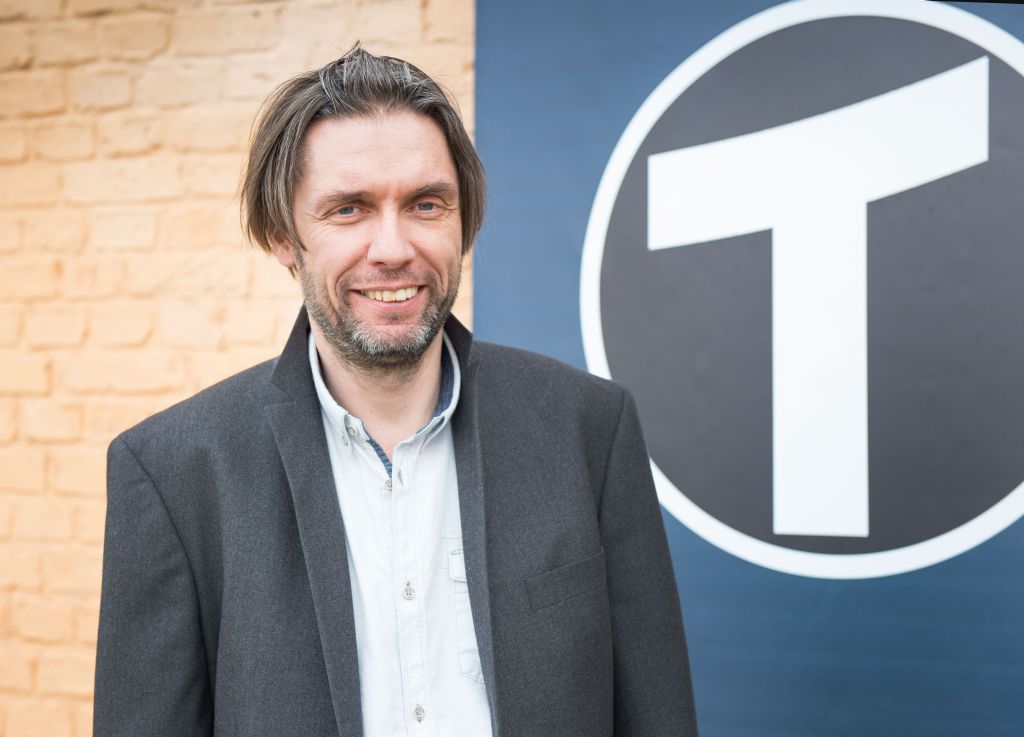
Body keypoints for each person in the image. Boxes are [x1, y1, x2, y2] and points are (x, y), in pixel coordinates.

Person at [93, 46, 698, 737]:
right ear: (283, 236)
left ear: (464, 222)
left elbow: (657, 715)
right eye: (348, 209)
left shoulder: (589, 428)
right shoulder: (173, 473)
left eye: (425, 204)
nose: (392, 248)